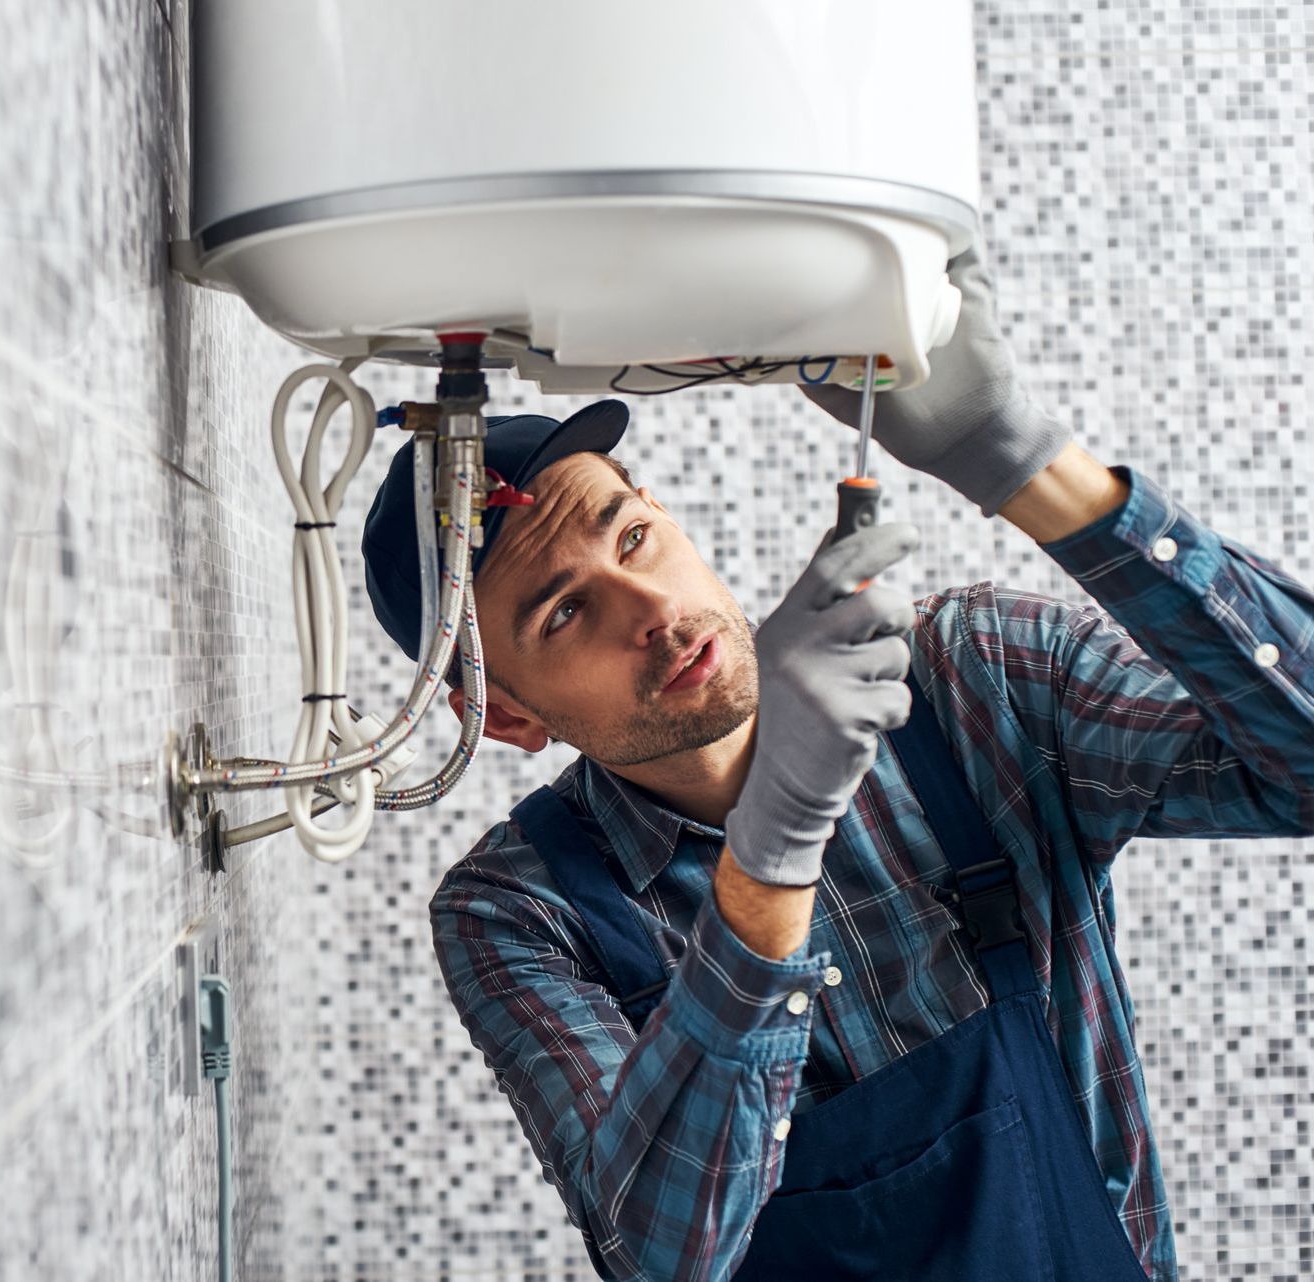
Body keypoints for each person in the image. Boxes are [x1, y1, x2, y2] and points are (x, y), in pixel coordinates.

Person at [358, 248, 1314, 1282]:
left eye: (631, 537)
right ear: (503, 713)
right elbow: (665, 1252)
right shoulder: (518, 912)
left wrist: (1023, 462)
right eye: (563, 611)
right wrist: (771, 852)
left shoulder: (968, 681)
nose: (650, 611)